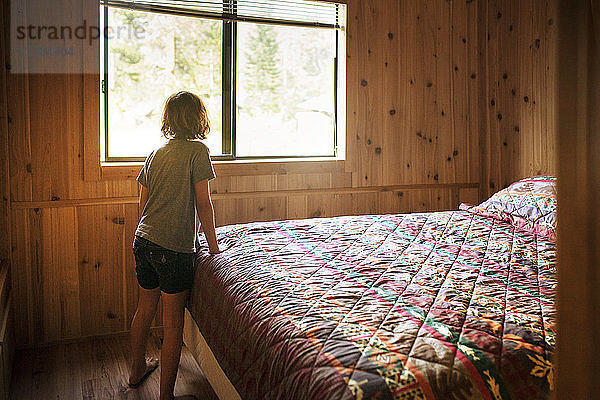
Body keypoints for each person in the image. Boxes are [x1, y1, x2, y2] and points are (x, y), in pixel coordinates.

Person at [128, 91, 220, 400]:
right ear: (198, 119)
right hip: (173, 250)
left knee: (143, 309)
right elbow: (203, 204)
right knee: (172, 326)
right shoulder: (198, 152)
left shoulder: (157, 153)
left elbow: (142, 203)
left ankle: (136, 370)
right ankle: (166, 396)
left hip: (143, 240)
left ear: (169, 119)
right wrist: (213, 247)